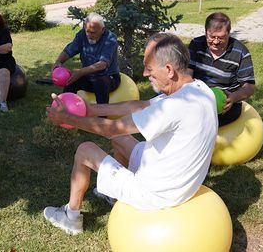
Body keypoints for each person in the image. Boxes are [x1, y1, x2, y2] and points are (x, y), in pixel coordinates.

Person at [43, 33, 218, 235]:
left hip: (156, 192)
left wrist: (69, 118)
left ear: (169, 69)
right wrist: (91, 109)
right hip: (176, 181)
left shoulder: (173, 106)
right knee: (120, 138)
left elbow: (110, 128)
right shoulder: (199, 90)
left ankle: (70, 217)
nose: (145, 74)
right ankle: (113, 194)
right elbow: (140, 105)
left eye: (150, 68)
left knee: (85, 149)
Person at [188, 12, 256, 126]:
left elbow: (250, 87)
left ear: (229, 33)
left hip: (227, 106)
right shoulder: (196, 44)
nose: (215, 42)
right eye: (211, 36)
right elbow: (186, 74)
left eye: (221, 37)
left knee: (200, 122)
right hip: (197, 100)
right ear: (205, 32)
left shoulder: (241, 52)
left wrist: (233, 97)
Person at [52, 13, 120, 104]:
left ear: (102, 30)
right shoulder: (82, 34)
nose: (89, 35)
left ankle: (101, 116)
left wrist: (80, 72)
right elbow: (69, 51)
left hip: (109, 77)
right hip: (89, 77)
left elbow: (102, 64)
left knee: (100, 83)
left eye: (93, 32)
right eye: (87, 31)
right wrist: (58, 61)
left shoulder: (110, 39)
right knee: (71, 81)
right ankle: (65, 109)